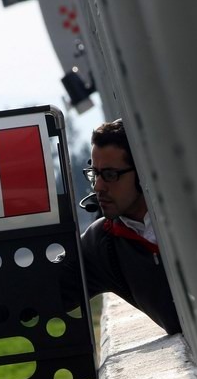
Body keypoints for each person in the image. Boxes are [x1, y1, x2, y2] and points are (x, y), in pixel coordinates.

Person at [73, 119, 181, 335]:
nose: (98, 186)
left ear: (142, 173)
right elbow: (46, 290)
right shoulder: (102, 245)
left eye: (110, 175)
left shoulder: (195, 214)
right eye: (95, 174)